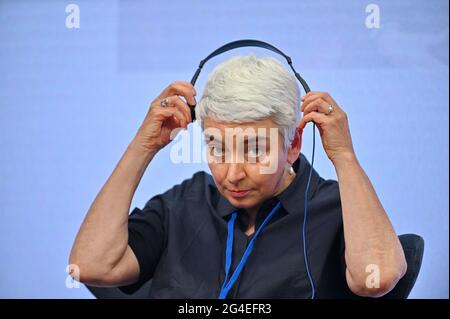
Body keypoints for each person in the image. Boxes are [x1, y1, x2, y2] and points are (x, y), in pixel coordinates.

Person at [69, 55, 407, 298]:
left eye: (253, 150)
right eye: (217, 148)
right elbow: (91, 266)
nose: (232, 175)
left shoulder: (336, 209)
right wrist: (142, 147)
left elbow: (376, 279)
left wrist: (344, 157)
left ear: (293, 145)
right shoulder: (184, 203)